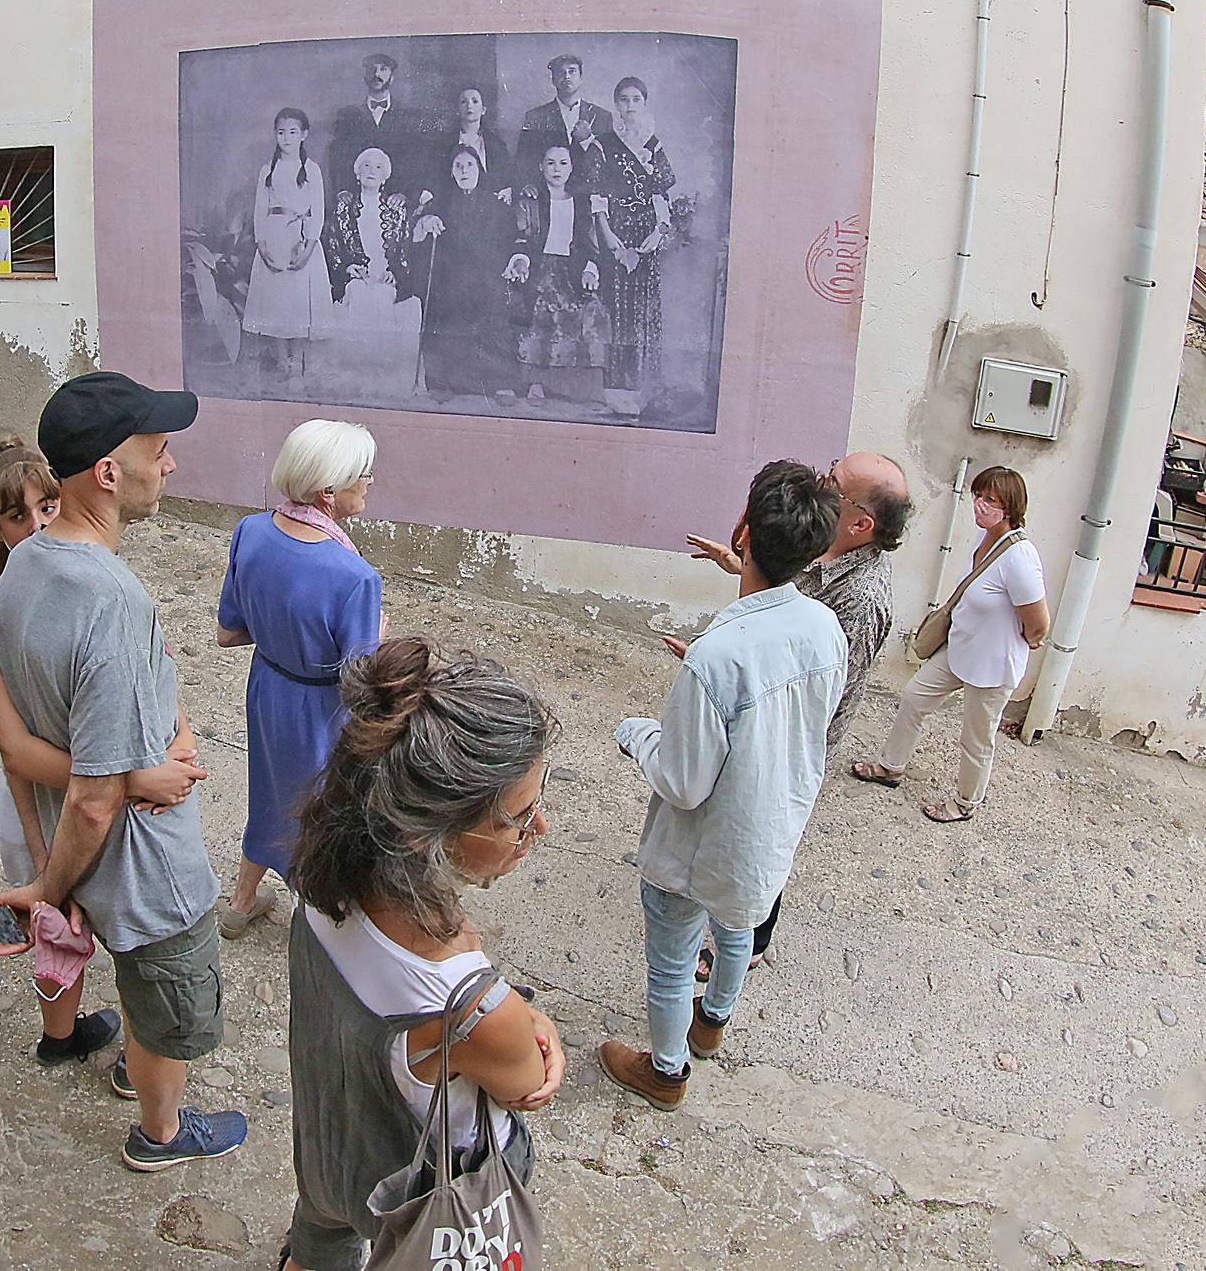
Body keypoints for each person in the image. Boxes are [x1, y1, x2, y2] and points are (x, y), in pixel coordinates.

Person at [0, 371, 246, 1172]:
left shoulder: (21, 570)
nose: (168, 466)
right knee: (169, 989)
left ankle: (134, 1069)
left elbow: (44, 741)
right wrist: (47, 893)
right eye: (157, 452)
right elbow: (96, 801)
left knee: (136, 975)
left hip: (93, 860)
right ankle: (159, 1130)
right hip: (139, 864)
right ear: (105, 471)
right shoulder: (113, 599)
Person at [279, 638, 564, 1271]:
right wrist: (534, 1024)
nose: (538, 830)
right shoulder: (475, 1008)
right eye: (519, 816)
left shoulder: (325, 884)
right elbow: (523, 1088)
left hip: (328, 1153)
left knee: (318, 1244)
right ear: (424, 829)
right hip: (414, 1201)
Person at [600, 461, 845, 1112]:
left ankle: (666, 1068)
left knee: (673, 961)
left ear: (742, 531)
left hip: (696, 848)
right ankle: (713, 1022)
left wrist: (638, 733)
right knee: (738, 928)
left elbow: (682, 782)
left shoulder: (717, 655)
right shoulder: (825, 628)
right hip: (768, 832)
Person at [685, 450, 911, 972]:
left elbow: (822, 691)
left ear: (862, 523)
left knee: (763, 839)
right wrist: (740, 562)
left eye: (834, 484)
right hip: (756, 715)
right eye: (829, 472)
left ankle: (746, 945)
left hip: (789, 738)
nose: (822, 485)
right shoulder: (824, 543)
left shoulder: (861, 599)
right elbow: (781, 595)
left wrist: (726, 673)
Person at [0, 437, 123, 1067]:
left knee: (97, 929)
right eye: (17, 514)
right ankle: (61, 1037)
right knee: (59, 932)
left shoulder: (90, 589)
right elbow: (15, 754)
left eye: (47, 505)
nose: (35, 524)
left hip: (87, 797)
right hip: (47, 804)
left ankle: (68, 1039)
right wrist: (44, 861)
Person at [215, 420, 383, 939]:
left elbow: (228, 632)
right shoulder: (355, 576)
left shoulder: (250, 532)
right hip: (321, 708)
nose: (370, 483)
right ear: (329, 492)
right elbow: (363, 677)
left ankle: (242, 902)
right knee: (322, 809)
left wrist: (282, 631)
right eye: (364, 474)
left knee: (267, 791)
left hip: (268, 688)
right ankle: (314, 922)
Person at [853, 465, 1049, 824]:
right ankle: (890, 767)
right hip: (958, 649)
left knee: (976, 738)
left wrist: (1022, 639)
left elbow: (1038, 624)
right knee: (914, 697)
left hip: (991, 666)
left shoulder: (1020, 558)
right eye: (978, 495)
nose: (980, 504)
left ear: (1010, 506)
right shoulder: (985, 539)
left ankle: (966, 802)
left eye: (990, 499)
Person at [594, 76, 678, 420]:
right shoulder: (604, 143)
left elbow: (662, 194)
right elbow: (597, 196)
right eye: (624, 99)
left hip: (646, 236)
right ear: (616, 103)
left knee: (644, 310)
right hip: (615, 232)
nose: (630, 106)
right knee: (617, 312)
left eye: (636, 99)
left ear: (644, 103)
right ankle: (616, 392)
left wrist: (658, 233)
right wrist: (608, 237)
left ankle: (645, 392)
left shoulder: (654, 144)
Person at [506, 144, 611, 407]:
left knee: (593, 310)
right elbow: (522, 239)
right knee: (541, 309)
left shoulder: (582, 202)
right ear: (541, 167)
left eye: (563, 163)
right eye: (550, 163)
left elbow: (590, 245)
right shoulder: (529, 200)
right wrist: (521, 262)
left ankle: (580, 390)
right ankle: (536, 384)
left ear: (571, 167)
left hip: (572, 271)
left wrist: (589, 270)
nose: (556, 169)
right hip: (540, 268)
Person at [411, 145, 516, 398]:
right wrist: (426, 223)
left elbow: (511, 241)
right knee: (446, 318)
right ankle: (443, 384)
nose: (464, 171)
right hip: (450, 281)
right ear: (451, 171)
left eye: (469, 165)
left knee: (494, 316)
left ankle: (496, 385)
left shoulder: (496, 204)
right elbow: (414, 236)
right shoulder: (439, 202)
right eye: (458, 166)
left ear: (479, 169)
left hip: (486, 279)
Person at [242, 108, 330, 379]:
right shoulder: (267, 170)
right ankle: (282, 358)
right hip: (275, 236)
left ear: (304, 135)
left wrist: (310, 246)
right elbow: (260, 208)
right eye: (281, 133)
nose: (287, 138)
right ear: (275, 135)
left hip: (301, 239)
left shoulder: (311, 169)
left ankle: (299, 358)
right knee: (277, 301)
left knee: (298, 301)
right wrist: (262, 243)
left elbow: (318, 210)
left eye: (293, 132)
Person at [325, 147, 423, 385]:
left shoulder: (397, 210)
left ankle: (382, 371)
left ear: (385, 177)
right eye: (366, 166)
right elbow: (333, 246)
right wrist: (348, 270)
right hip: (355, 276)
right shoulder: (343, 208)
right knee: (359, 293)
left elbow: (404, 250)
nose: (371, 171)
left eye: (378, 167)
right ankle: (357, 372)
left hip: (385, 275)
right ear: (357, 174)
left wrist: (394, 273)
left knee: (382, 295)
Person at [328, 51, 438, 201]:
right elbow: (338, 156)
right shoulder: (347, 115)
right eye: (372, 69)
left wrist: (405, 194)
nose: (377, 73)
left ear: (392, 78)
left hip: (396, 200)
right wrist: (343, 189)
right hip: (358, 199)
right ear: (364, 77)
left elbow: (416, 160)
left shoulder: (408, 116)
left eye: (383, 69)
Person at [515, 52, 613, 199]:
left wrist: (588, 140)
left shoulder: (601, 116)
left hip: (590, 196)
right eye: (561, 72)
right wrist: (527, 184)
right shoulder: (536, 116)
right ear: (553, 80)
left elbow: (609, 161)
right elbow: (524, 160)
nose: (567, 76)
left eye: (572, 71)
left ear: (581, 79)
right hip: (549, 197)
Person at [442, 85, 511, 193]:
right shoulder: (443, 144)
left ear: (483, 110)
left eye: (475, 101)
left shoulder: (497, 145)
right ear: (457, 110)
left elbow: (505, 181)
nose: (469, 105)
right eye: (464, 102)